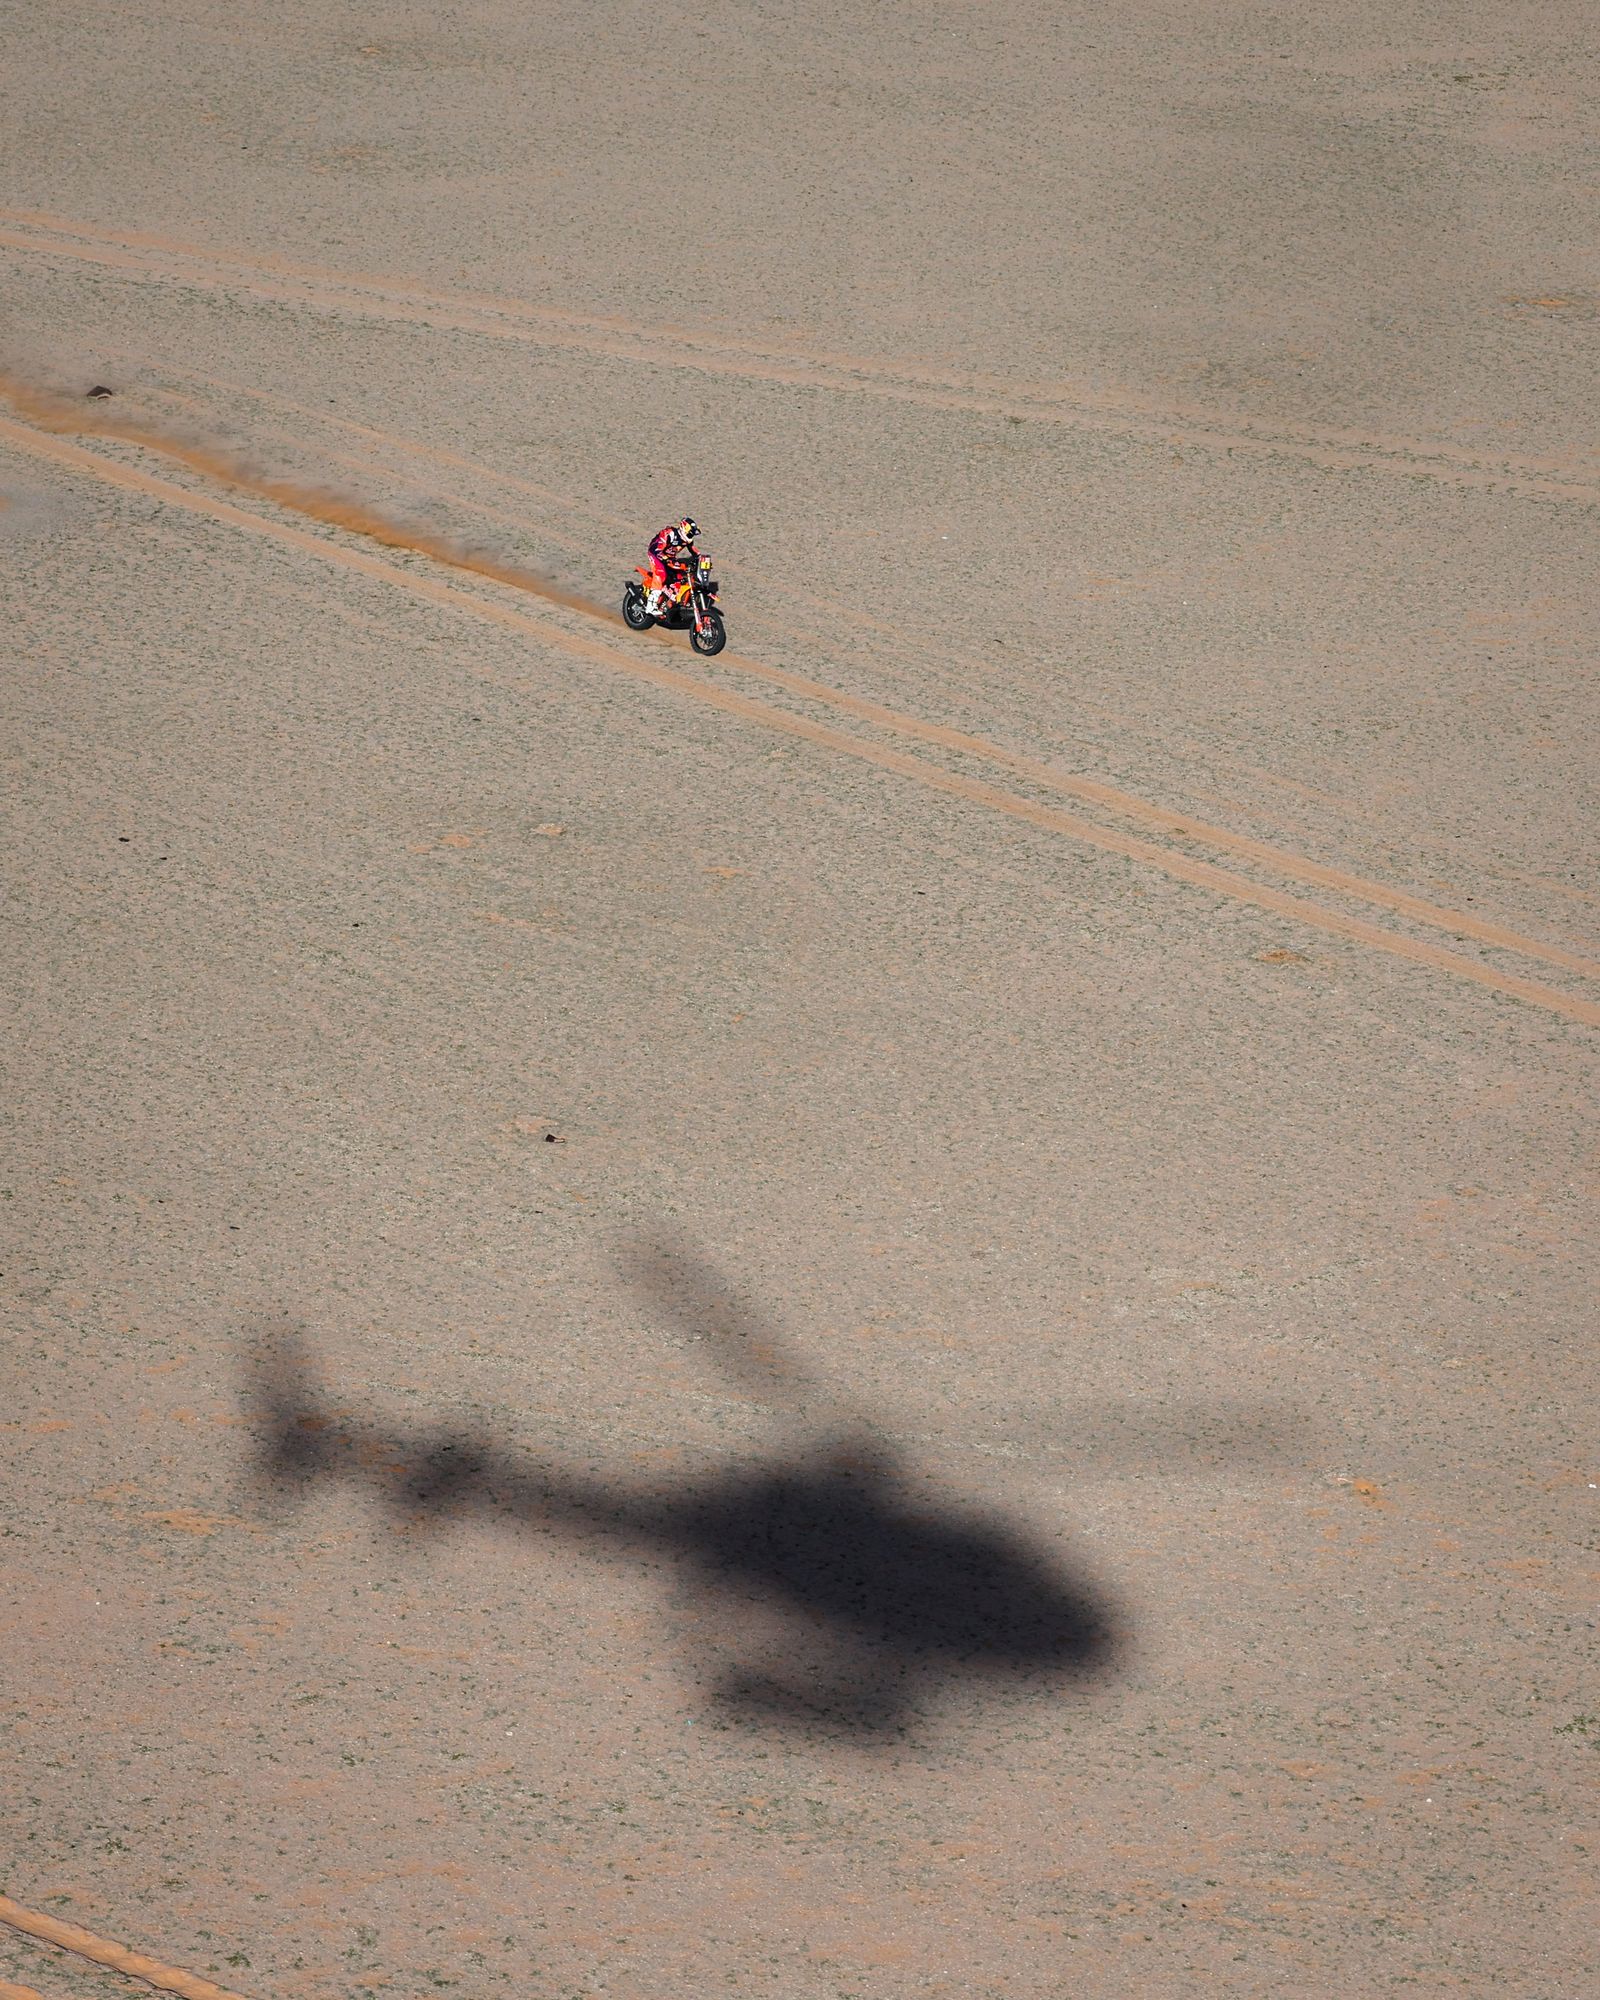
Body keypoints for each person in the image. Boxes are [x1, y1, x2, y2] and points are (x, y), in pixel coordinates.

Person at [645, 518, 701, 617]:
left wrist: (701, 559)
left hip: (669, 558)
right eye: (690, 534)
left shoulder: (687, 540)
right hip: (655, 554)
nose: (691, 537)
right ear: (684, 529)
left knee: (679, 577)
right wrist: (666, 559)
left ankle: (668, 602)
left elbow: (694, 551)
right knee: (661, 574)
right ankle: (650, 606)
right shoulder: (669, 533)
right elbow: (657, 549)